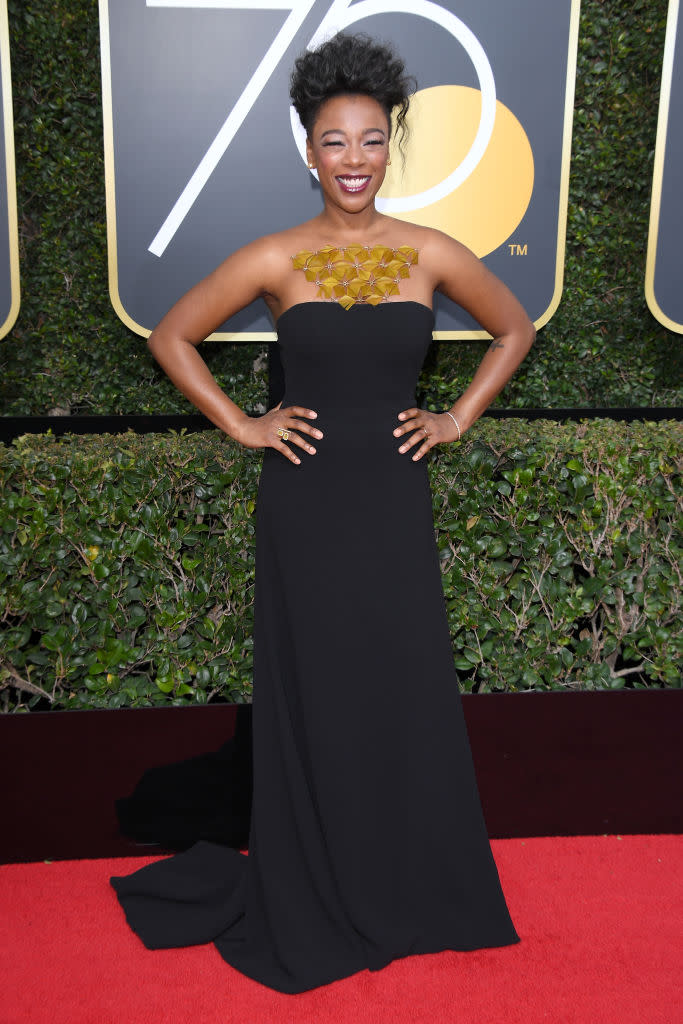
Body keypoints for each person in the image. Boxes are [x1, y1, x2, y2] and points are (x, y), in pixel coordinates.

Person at [111, 32, 535, 994]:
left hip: (391, 500)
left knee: (398, 684)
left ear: (392, 148)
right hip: (304, 506)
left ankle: (405, 877)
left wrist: (457, 414)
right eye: (335, 141)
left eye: (372, 140)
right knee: (317, 689)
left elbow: (514, 326)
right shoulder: (274, 255)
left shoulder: (429, 252)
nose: (354, 159)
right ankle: (316, 875)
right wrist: (243, 426)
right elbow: (173, 336)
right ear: (308, 150)